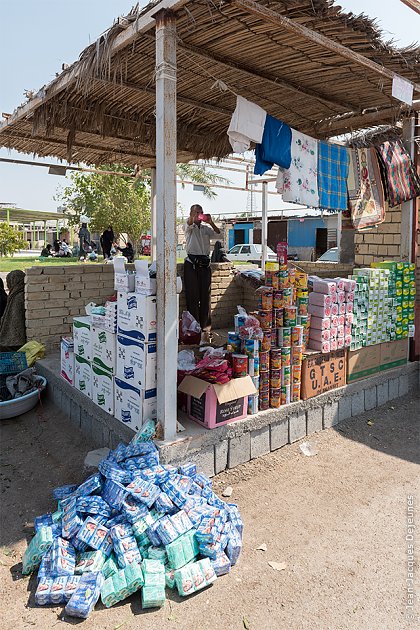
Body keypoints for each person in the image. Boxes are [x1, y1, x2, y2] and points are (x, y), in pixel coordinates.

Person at [184, 204, 220, 342]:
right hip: (192, 264)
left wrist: (211, 222)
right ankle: (194, 328)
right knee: (192, 297)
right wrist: (192, 219)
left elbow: (219, 235)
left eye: (201, 213)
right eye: (196, 212)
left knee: (205, 297)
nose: (199, 215)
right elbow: (188, 224)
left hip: (204, 264)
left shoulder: (205, 229)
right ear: (191, 213)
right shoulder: (188, 227)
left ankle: (205, 329)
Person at [0, 270, 26, 351]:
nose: (8, 285)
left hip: (15, 342)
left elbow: (15, 323)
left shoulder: (18, 297)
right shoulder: (15, 294)